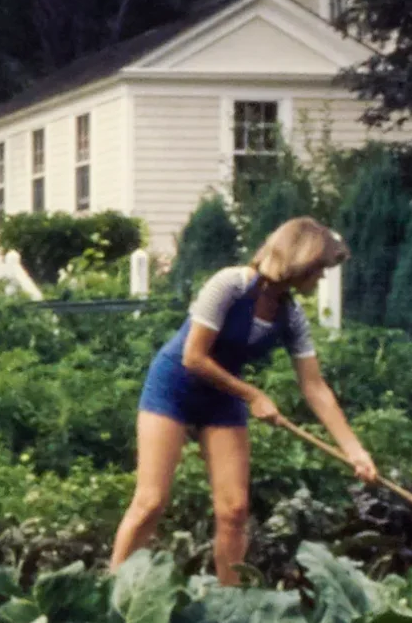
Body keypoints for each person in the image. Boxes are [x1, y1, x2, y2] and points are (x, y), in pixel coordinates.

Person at [111, 216, 377, 585]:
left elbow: (315, 387)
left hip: (222, 399)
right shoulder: (230, 285)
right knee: (150, 502)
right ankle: (111, 592)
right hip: (173, 389)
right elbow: (193, 357)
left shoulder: (291, 316)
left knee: (234, 510)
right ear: (300, 260)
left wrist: (354, 451)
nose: (321, 278)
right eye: (319, 269)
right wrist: (253, 394)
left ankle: (230, 602)